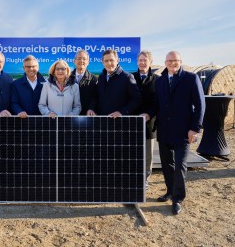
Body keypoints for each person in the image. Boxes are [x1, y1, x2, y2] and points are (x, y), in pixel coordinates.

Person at [143, 51, 205, 215]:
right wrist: (149, 114)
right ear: (165, 62)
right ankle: (170, 191)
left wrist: (195, 128)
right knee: (167, 165)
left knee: (180, 166)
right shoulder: (161, 80)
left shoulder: (191, 79)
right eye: (169, 61)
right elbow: (157, 103)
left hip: (183, 131)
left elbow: (200, 105)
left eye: (175, 60)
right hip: (164, 130)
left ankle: (177, 199)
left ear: (180, 61)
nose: (172, 63)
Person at [87, 49, 141, 117]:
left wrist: (122, 112)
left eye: (111, 60)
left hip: (120, 122)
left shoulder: (127, 77)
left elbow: (136, 99)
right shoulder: (101, 77)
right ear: (103, 62)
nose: (109, 63)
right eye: (106, 61)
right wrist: (91, 108)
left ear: (117, 61)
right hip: (102, 121)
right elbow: (96, 96)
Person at [133, 50, 158, 189]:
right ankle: (133, 177)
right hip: (133, 122)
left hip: (149, 123)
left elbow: (158, 101)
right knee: (133, 152)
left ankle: (145, 179)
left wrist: (149, 114)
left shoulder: (157, 80)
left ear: (150, 62)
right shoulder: (130, 78)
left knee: (147, 154)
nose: (142, 63)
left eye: (145, 60)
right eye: (140, 60)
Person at [69, 50, 98, 115]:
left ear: (88, 62)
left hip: (86, 115)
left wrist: (91, 108)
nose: (81, 61)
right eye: (79, 58)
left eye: (84, 59)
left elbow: (95, 97)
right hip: (69, 114)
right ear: (74, 61)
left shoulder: (94, 79)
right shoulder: (67, 77)